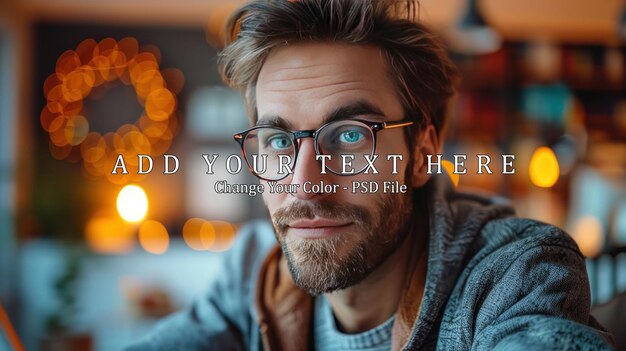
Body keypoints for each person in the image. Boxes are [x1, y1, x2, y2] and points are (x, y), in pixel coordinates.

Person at [127, 0, 614, 349]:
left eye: (350, 135)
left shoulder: (513, 273)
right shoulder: (253, 270)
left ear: (422, 151)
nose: (304, 182)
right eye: (278, 141)